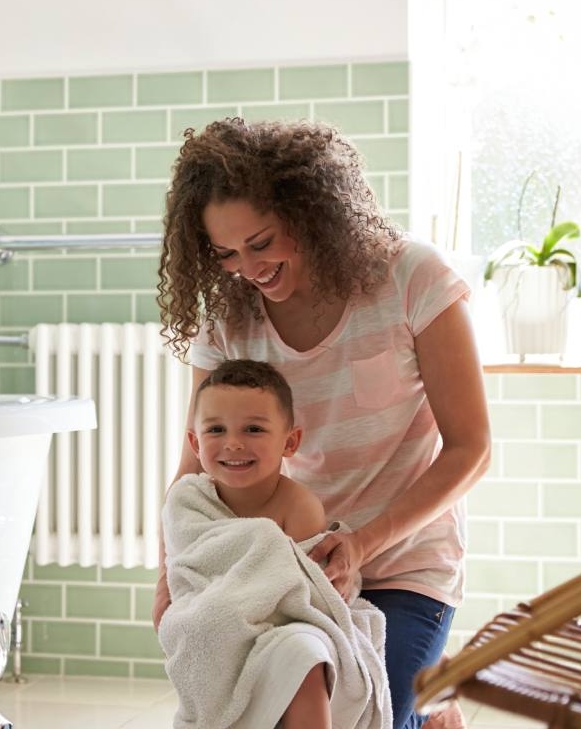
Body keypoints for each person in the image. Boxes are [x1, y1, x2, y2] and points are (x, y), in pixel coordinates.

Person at [154, 118, 491, 729]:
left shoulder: (412, 278)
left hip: (407, 561)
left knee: (375, 714)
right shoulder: (230, 314)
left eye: (262, 242)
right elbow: (193, 464)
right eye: (225, 253)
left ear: (310, 214)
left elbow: (472, 448)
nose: (248, 268)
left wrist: (363, 541)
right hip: (291, 565)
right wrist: (168, 575)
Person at [165, 358, 335, 729]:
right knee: (203, 624)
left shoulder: (300, 506)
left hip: (283, 628)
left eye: (254, 429)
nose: (234, 444)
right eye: (216, 430)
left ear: (290, 442)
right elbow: (187, 576)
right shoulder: (187, 501)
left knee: (306, 654)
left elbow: (306, 593)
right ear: (195, 442)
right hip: (215, 627)